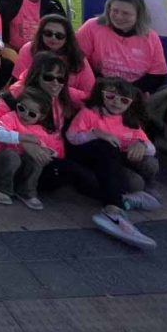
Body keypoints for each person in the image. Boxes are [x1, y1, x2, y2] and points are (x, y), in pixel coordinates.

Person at [66, 78, 160, 249]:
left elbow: (151, 149)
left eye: (123, 100)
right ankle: (113, 210)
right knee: (108, 147)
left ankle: (124, 199)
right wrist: (96, 134)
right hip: (86, 158)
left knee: (145, 170)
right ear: (101, 95)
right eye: (111, 97)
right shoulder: (90, 113)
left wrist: (139, 144)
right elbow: (72, 137)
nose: (116, 102)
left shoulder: (130, 120)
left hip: (112, 163)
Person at [77, 0, 167, 92]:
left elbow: (157, 75)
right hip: (96, 87)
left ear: (138, 16)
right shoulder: (92, 27)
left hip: (134, 93)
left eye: (126, 13)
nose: (119, 17)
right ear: (108, 10)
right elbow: (78, 61)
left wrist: (127, 92)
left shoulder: (151, 37)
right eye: (115, 11)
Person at [11, 14, 95, 96]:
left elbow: (90, 93)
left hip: (68, 103)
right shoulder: (29, 49)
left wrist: (62, 90)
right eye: (48, 33)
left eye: (59, 36)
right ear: (41, 34)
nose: (53, 38)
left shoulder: (77, 56)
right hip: (34, 100)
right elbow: (18, 83)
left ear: (67, 38)